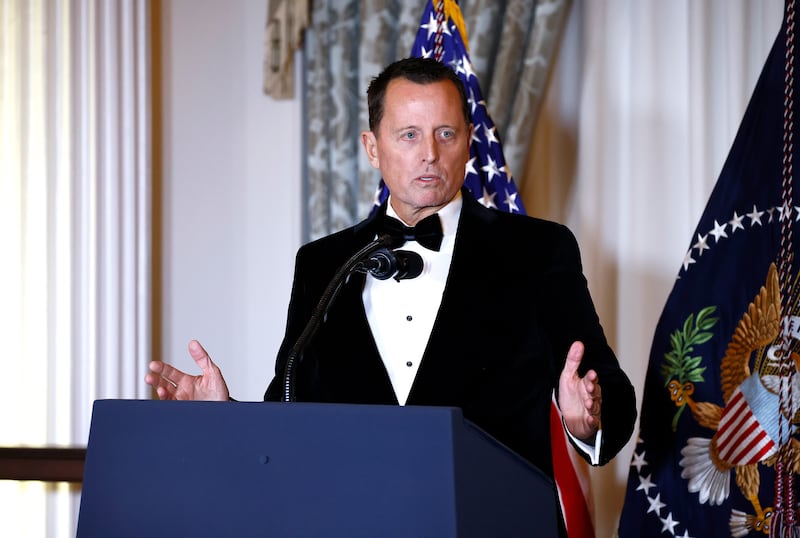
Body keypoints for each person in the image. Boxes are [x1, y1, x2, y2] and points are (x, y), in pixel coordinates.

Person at [146, 56, 636, 525]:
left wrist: (583, 422)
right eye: (409, 135)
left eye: (446, 133)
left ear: (469, 141)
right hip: (352, 523)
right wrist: (223, 420)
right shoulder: (321, 264)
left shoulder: (538, 250)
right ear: (372, 147)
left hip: (495, 522)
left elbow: (609, 392)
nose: (429, 153)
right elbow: (291, 417)